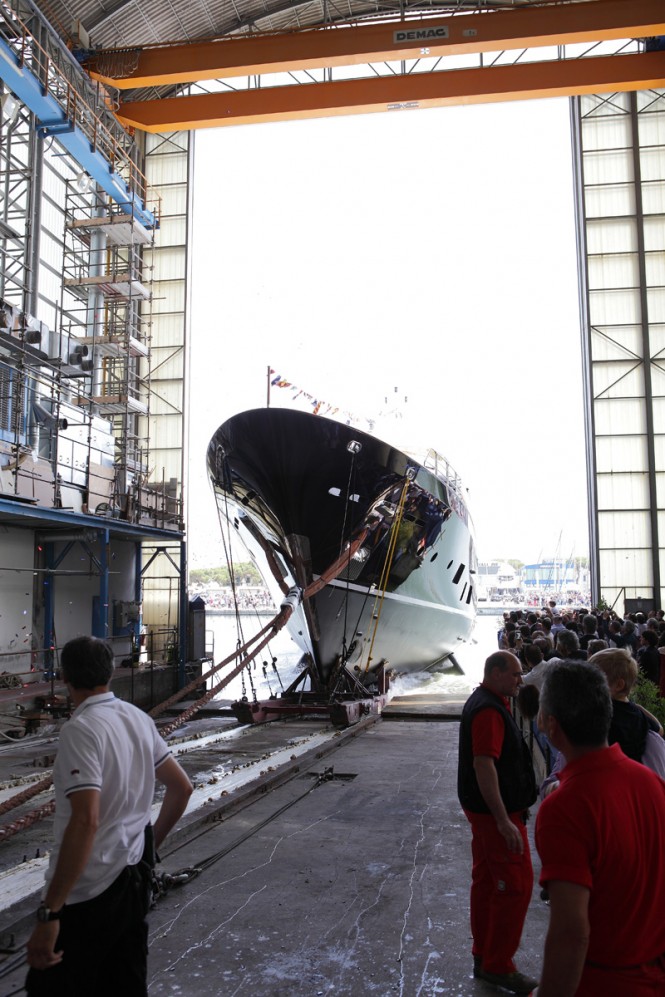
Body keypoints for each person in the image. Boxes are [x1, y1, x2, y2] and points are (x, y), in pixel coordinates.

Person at [25, 636, 193, 997]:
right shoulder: (137, 719)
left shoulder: (80, 731)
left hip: (88, 893)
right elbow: (182, 789)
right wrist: (151, 849)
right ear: (111, 672)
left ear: (65, 676)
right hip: (133, 881)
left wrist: (50, 914)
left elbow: (86, 820)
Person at [534, 662, 665, 996]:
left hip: (600, 983)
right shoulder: (650, 782)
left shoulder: (564, 807)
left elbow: (571, 933)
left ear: (551, 725)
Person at [457, 651, 538, 995]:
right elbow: (484, 764)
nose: (521, 680)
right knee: (514, 885)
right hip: (495, 815)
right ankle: (498, 965)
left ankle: (483, 954)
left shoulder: (489, 702)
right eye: (516, 674)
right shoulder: (489, 710)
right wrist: (504, 820)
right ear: (495, 672)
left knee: (488, 882)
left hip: (485, 813)